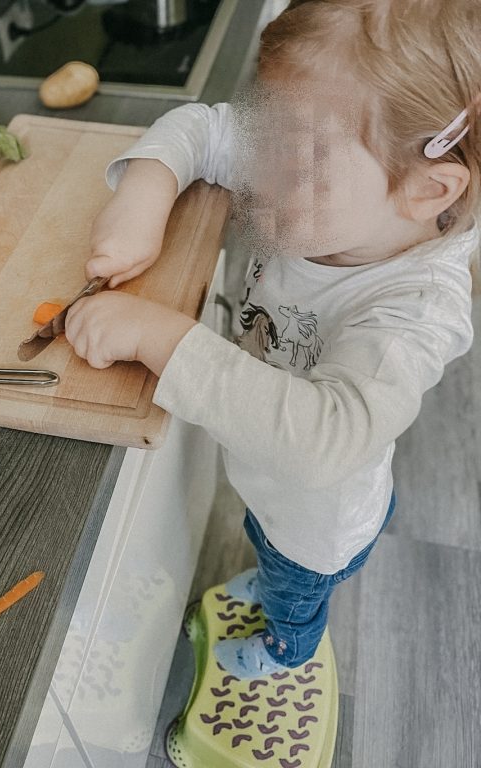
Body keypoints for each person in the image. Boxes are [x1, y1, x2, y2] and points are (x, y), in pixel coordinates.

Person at [64, 0, 481, 678]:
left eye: (303, 159)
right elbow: (203, 127)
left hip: (316, 527)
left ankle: (287, 648)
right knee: (260, 532)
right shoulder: (326, 171)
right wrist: (145, 192)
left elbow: (327, 439)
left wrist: (159, 335)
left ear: (428, 189)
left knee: (292, 584)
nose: (259, 173)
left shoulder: (416, 311)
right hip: (267, 481)